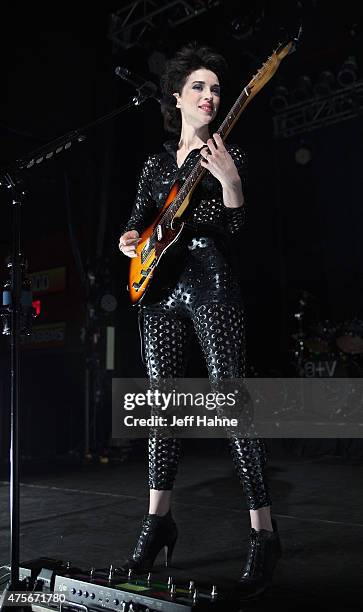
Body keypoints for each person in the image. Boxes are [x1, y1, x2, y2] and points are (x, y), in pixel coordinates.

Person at [118, 43, 281, 598]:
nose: (210, 96)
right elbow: (140, 221)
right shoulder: (155, 164)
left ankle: (263, 532)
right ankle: (158, 520)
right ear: (176, 97)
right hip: (159, 289)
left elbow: (235, 229)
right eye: (199, 87)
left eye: (216, 88)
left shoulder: (223, 153)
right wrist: (131, 239)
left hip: (211, 281)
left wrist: (231, 182)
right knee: (161, 406)